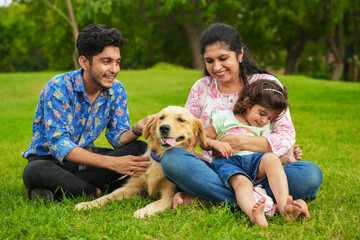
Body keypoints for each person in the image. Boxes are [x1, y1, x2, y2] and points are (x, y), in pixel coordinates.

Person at [160, 23, 322, 219]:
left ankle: (208, 198)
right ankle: (268, 203)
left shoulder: (265, 85)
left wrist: (240, 142)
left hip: (260, 169)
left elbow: (286, 134)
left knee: (310, 174)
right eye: (209, 61)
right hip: (216, 170)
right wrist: (207, 143)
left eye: (223, 58)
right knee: (172, 159)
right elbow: (189, 133)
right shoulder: (201, 87)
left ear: (240, 54)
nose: (216, 67)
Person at [22, 24, 151, 201]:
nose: (114, 70)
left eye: (117, 62)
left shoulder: (117, 90)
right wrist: (113, 163)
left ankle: (69, 190)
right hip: (49, 161)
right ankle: (100, 191)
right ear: (84, 62)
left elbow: (117, 139)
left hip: (83, 162)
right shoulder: (58, 87)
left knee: (139, 149)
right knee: (35, 171)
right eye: (106, 62)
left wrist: (136, 129)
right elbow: (60, 145)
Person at [202, 80, 301, 228]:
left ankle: (283, 206)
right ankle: (253, 214)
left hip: (255, 161)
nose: (264, 120)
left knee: (271, 159)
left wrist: (285, 158)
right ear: (247, 101)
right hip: (228, 162)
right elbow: (204, 141)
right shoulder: (224, 117)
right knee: (242, 183)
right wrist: (216, 143)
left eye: (269, 118)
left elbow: (263, 152)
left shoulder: (266, 126)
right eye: (262, 113)